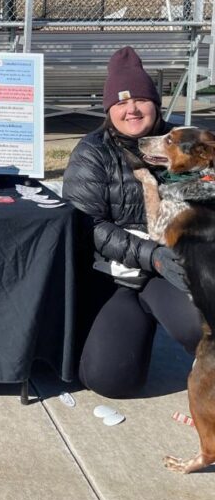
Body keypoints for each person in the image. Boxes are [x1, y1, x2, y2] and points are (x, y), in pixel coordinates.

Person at [62, 46, 201, 398]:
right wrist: (151, 255)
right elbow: (87, 224)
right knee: (111, 380)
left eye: (140, 98)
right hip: (114, 275)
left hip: (174, 267)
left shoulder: (185, 143)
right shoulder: (93, 151)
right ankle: (132, 326)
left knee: (202, 324)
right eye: (122, 102)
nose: (132, 109)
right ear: (110, 109)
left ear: (156, 102)